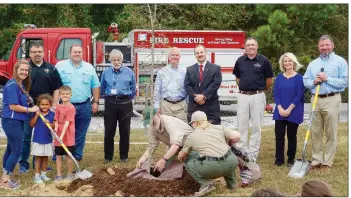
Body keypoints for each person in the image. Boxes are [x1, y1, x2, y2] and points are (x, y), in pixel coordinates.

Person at [303, 35, 348, 172]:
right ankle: (316, 160)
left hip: (332, 99)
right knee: (315, 131)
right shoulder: (313, 64)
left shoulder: (340, 62)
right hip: (316, 99)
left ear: (332, 46)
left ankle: (327, 163)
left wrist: (327, 79)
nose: (324, 47)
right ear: (318, 47)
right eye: (322, 45)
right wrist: (314, 82)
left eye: (327, 45)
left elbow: (345, 82)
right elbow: (306, 80)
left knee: (331, 132)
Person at [18, 41, 62, 173]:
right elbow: (18, 86)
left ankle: (41, 164)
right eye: (34, 52)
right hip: (28, 109)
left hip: (45, 109)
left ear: (43, 53)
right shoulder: (25, 68)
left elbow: (57, 88)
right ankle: (23, 164)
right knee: (26, 137)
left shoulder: (51, 68)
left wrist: (54, 105)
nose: (37, 54)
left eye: (39, 52)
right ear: (30, 53)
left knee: (43, 137)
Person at [178, 111, 241, 197]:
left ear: (195, 123)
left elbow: (182, 156)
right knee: (226, 154)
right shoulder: (220, 128)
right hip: (232, 163)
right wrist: (228, 144)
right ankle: (232, 185)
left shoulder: (192, 136)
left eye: (192, 123)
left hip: (212, 167)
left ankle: (206, 184)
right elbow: (236, 136)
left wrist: (179, 156)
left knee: (188, 162)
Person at [55, 44, 100, 161]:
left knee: (80, 132)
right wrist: (55, 104)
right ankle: (58, 155)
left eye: (79, 52)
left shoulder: (89, 68)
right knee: (60, 130)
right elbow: (54, 85)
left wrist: (95, 102)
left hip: (83, 105)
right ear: (70, 53)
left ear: (82, 54)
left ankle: (76, 155)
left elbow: (95, 86)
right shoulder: (60, 66)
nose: (77, 54)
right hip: (64, 106)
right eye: (75, 52)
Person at [232, 37, 274, 161]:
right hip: (243, 96)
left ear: (257, 47)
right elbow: (238, 79)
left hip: (258, 96)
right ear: (245, 47)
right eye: (248, 45)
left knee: (256, 126)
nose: (250, 47)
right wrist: (245, 88)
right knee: (242, 125)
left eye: (253, 45)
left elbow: (269, 81)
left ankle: (253, 155)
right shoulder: (240, 61)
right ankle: (242, 153)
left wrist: (258, 90)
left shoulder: (264, 61)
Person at [0, 60, 39, 189]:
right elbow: (13, 106)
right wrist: (30, 109)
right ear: (16, 70)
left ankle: (4, 175)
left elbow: (20, 100)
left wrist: (28, 100)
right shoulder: (12, 84)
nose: (24, 72)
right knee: (17, 150)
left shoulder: (20, 85)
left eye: (26, 70)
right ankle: (6, 180)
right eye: (21, 70)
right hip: (12, 120)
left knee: (11, 149)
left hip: (17, 120)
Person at [100, 49, 136, 163]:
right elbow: (102, 87)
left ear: (122, 60)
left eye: (118, 59)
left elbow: (134, 88)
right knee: (109, 130)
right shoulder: (106, 72)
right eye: (114, 60)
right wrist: (108, 98)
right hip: (110, 103)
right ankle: (108, 157)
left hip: (125, 103)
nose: (116, 62)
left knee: (125, 130)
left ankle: (124, 156)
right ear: (110, 60)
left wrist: (128, 98)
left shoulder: (129, 72)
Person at [273, 52, 304, 167]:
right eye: (285, 61)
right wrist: (280, 108)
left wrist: (289, 109)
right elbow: (275, 93)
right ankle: (279, 159)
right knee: (279, 135)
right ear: (282, 63)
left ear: (294, 62)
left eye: (289, 61)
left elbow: (299, 95)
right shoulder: (279, 77)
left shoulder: (299, 78)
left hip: (294, 110)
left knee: (292, 136)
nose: (287, 63)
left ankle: (291, 159)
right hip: (280, 111)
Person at [184, 44, 222, 125]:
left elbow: (215, 84)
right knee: (194, 132)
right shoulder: (189, 69)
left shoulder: (216, 68)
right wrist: (196, 97)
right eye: (197, 53)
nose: (199, 54)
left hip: (211, 106)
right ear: (195, 55)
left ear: (206, 53)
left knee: (213, 131)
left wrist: (203, 96)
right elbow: (187, 85)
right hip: (194, 106)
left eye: (201, 52)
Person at [154, 47, 187, 122]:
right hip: (166, 106)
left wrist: (188, 105)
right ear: (168, 57)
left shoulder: (185, 72)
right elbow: (157, 90)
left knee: (182, 128)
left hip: (181, 105)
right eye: (172, 55)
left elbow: (188, 88)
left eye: (177, 55)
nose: (175, 57)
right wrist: (157, 106)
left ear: (180, 57)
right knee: (166, 129)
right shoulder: (161, 72)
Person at [29, 94, 55, 184]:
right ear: (39, 105)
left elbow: (54, 127)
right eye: (42, 104)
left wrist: (50, 123)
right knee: (38, 157)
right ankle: (37, 175)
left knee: (45, 157)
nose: (44, 106)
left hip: (47, 140)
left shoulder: (52, 114)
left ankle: (43, 174)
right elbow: (31, 125)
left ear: (50, 105)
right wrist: (36, 116)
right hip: (38, 139)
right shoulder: (36, 113)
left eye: (46, 104)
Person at [53, 86, 76, 181]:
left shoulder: (71, 108)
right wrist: (56, 130)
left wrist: (61, 136)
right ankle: (59, 175)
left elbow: (67, 123)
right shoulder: (58, 107)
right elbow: (57, 119)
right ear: (60, 95)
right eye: (63, 94)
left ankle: (70, 174)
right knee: (58, 156)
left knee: (68, 156)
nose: (65, 96)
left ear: (70, 95)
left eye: (67, 94)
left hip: (68, 135)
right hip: (59, 135)